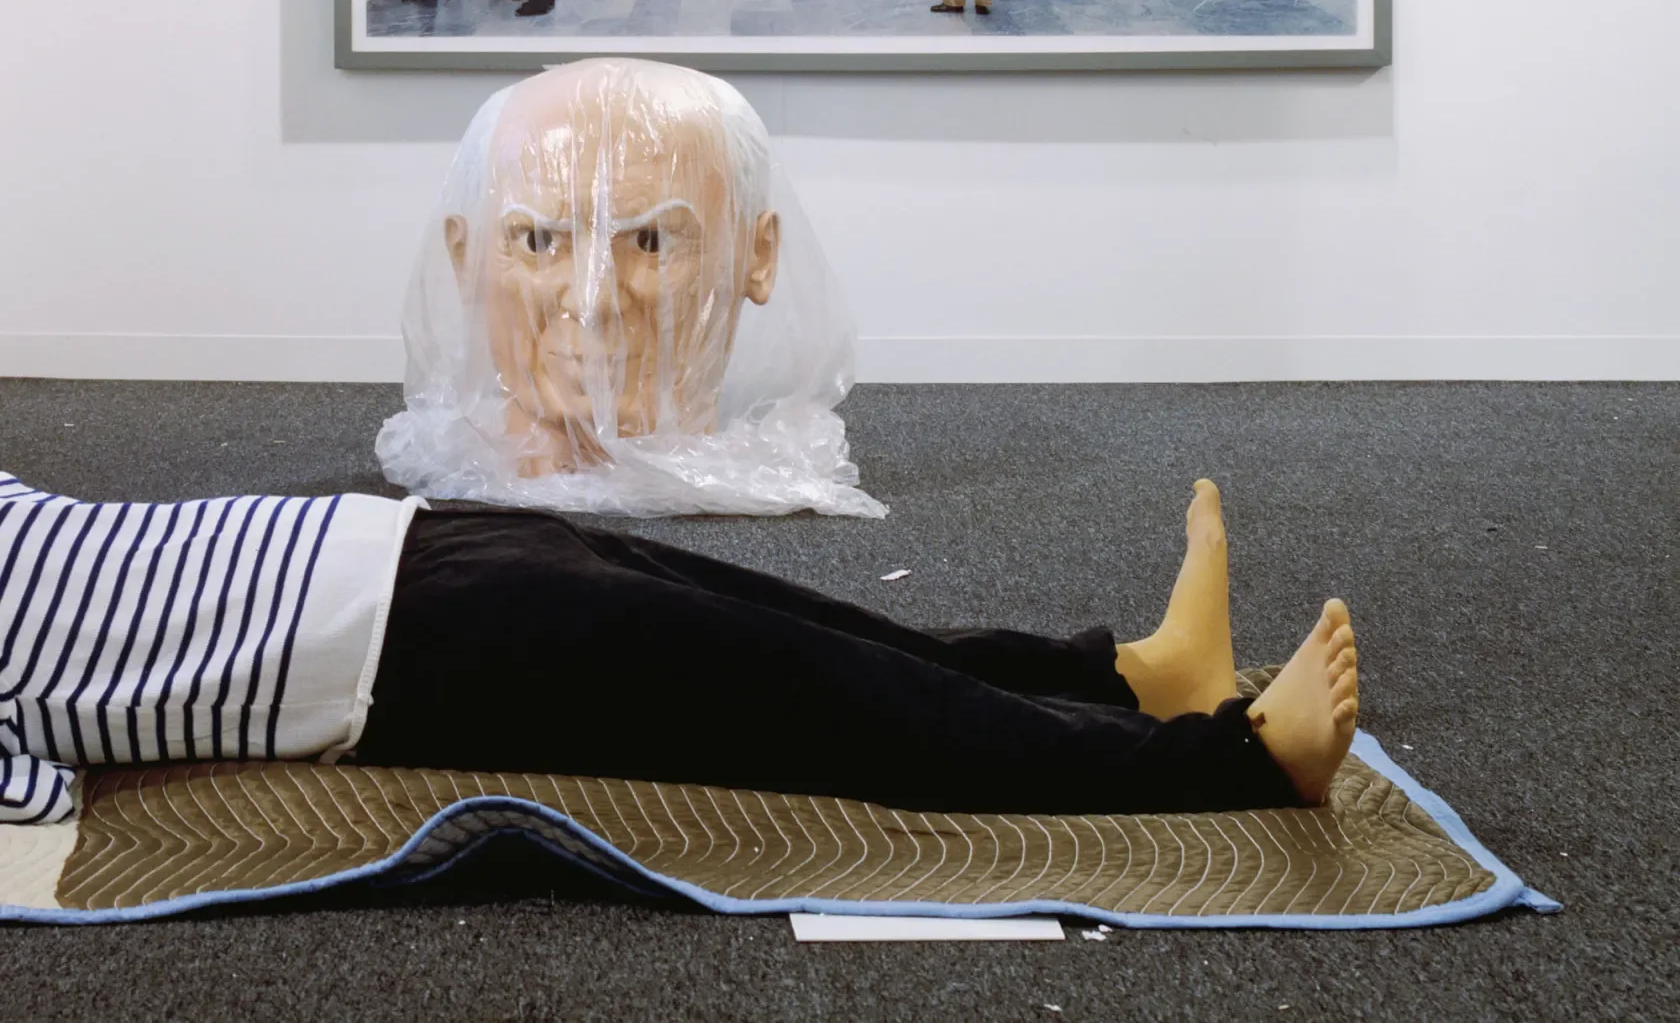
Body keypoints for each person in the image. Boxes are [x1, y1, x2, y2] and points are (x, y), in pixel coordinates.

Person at [0, 467, 1360, 823]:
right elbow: (38, 793)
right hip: (398, 652)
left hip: (401, 540)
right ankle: (1231, 767)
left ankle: (1124, 676)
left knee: (816, 626)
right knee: (822, 700)